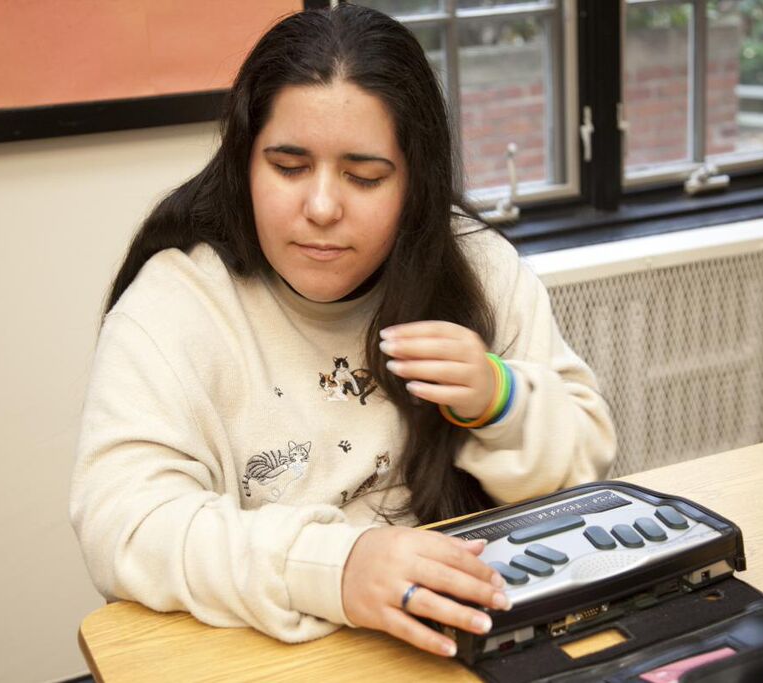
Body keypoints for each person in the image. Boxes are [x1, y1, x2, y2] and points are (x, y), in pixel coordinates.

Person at [70, 4, 616, 659]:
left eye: (364, 176)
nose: (323, 207)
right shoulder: (177, 304)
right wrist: (337, 565)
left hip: (461, 640)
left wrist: (500, 399)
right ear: (244, 162)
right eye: (289, 167)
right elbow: (124, 523)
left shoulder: (477, 266)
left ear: (416, 184)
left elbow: (589, 463)